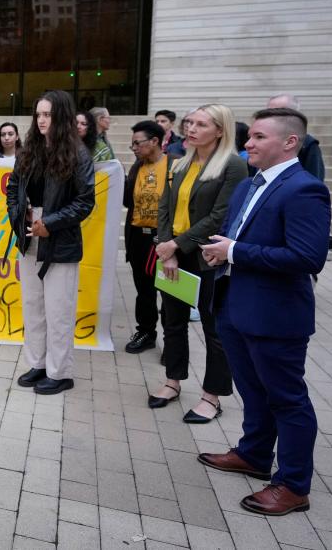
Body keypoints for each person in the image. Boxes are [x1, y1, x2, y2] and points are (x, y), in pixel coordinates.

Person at [198, 107, 330, 516]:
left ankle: (293, 485)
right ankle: (254, 454)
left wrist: (234, 251)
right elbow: (238, 238)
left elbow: (308, 257)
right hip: (236, 307)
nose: (247, 144)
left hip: (275, 316)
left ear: (290, 142)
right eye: (249, 136)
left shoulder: (304, 189)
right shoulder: (249, 185)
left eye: (257, 137)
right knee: (253, 391)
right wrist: (225, 253)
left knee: (287, 400)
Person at [149, 104, 248, 423]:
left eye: (201, 124)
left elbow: (220, 215)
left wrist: (176, 244)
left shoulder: (232, 166)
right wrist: (169, 250)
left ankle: (212, 396)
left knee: (213, 326)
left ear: (220, 130)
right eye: (189, 123)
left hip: (207, 256)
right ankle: (172, 381)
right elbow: (164, 206)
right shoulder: (179, 162)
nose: (191, 129)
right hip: (173, 252)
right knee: (173, 319)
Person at [7, 91, 95, 395]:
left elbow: (85, 201)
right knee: (33, 306)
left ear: (62, 117)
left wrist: (51, 224)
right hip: (29, 233)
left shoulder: (77, 153)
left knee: (59, 310)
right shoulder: (28, 149)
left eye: (48, 115)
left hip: (60, 238)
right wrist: (20, 217)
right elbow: (13, 188)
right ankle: (38, 364)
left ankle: (60, 372)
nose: (42, 120)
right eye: (39, 114)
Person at [266, 93, 332, 251]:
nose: (272, 116)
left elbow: (313, 182)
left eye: (279, 111)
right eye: (269, 111)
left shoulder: (307, 144)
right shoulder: (262, 142)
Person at [123, 120, 171, 353]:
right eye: (132, 144)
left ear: (154, 141)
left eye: (137, 143)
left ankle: (173, 344)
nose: (134, 148)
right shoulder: (137, 167)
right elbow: (127, 200)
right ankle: (146, 332)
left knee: (171, 294)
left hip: (165, 240)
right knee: (144, 291)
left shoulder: (174, 165)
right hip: (138, 238)